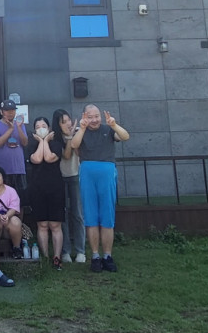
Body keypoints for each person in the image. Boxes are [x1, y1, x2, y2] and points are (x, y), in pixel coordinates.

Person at [70, 104, 130, 273]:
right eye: (90, 117)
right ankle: (95, 256)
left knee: (107, 216)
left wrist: (114, 125)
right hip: (87, 173)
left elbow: (125, 136)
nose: (94, 120)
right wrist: (82, 128)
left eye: (97, 116)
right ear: (84, 116)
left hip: (107, 171)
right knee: (91, 216)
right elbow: (74, 145)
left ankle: (108, 256)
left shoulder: (108, 129)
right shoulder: (80, 131)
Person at [25, 116, 65, 269]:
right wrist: (42, 142)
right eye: (37, 127)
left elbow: (48, 158)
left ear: (49, 129)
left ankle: (57, 257)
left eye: (43, 126)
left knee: (55, 224)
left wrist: (46, 141)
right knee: (42, 224)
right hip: (37, 188)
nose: (41, 129)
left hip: (55, 187)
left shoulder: (56, 144)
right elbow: (36, 159)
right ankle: (45, 257)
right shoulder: (31, 145)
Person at [54, 109, 86, 263]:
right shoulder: (55, 138)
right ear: (58, 125)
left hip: (75, 176)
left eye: (68, 120)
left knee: (78, 213)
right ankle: (65, 251)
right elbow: (66, 155)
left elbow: (79, 154)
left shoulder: (79, 132)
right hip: (60, 178)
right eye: (63, 122)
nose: (67, 124)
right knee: (63, 215)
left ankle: (80, 251)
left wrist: (74, 136)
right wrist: (68, 138)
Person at [0, 99, 29, 192]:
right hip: (3, 170)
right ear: (1, 112)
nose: (10, 113)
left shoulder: (20, 125)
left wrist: (18, 127)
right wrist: (11, 129)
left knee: (21, 197)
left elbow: (25, 142)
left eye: (13, 110)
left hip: (19, 168)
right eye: (7, 110)